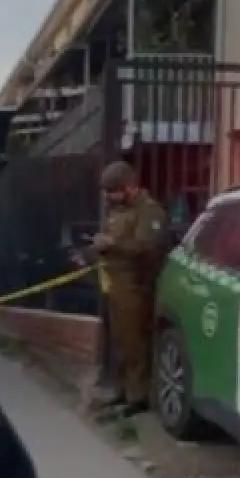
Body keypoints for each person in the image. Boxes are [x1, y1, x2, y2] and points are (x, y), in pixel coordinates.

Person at [79, 160, 168, 415]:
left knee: (134, 342)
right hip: (113, 284)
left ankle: (137, 398)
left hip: (135, 286)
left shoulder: (149, 212)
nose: (109, 196)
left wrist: (112, 244)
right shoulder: (116, 210)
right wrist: (97, 248)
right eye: (107, 191)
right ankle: (123, 390)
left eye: (113, 190)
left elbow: (147, 247)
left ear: (129, 187)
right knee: (119, 341)